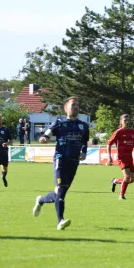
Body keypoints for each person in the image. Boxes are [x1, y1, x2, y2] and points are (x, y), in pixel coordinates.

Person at [32, 97, 90, 230]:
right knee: (61, 189)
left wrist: (84, 152)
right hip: (60, 159)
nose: (76, 106)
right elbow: (47, 133)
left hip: (74, 162)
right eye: (73, 104)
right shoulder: (59, 122)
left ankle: (41, 200)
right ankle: (60, 221)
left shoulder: (83, 126)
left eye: (77, 105)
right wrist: (44, 138)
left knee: (60, 193)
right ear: (66, 108)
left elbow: (84, 142)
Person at [107, 114, 134, 200]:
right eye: (125, 120)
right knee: (127, 177)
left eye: (128, 120)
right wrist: (109, 157)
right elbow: (109, 144)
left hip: (130, 158)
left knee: (131, 180)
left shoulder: (132, 132)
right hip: (122, 158)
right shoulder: (118, 132)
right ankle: (121, 195)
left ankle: (115, 181)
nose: (127, 122)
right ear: (121, 122)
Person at [0, 115, 13, 188]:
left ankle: (3, 177)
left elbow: (11, 142)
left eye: (0, 119)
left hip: (4, 152)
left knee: (5, 168)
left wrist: (7, 144)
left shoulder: (6, 129)